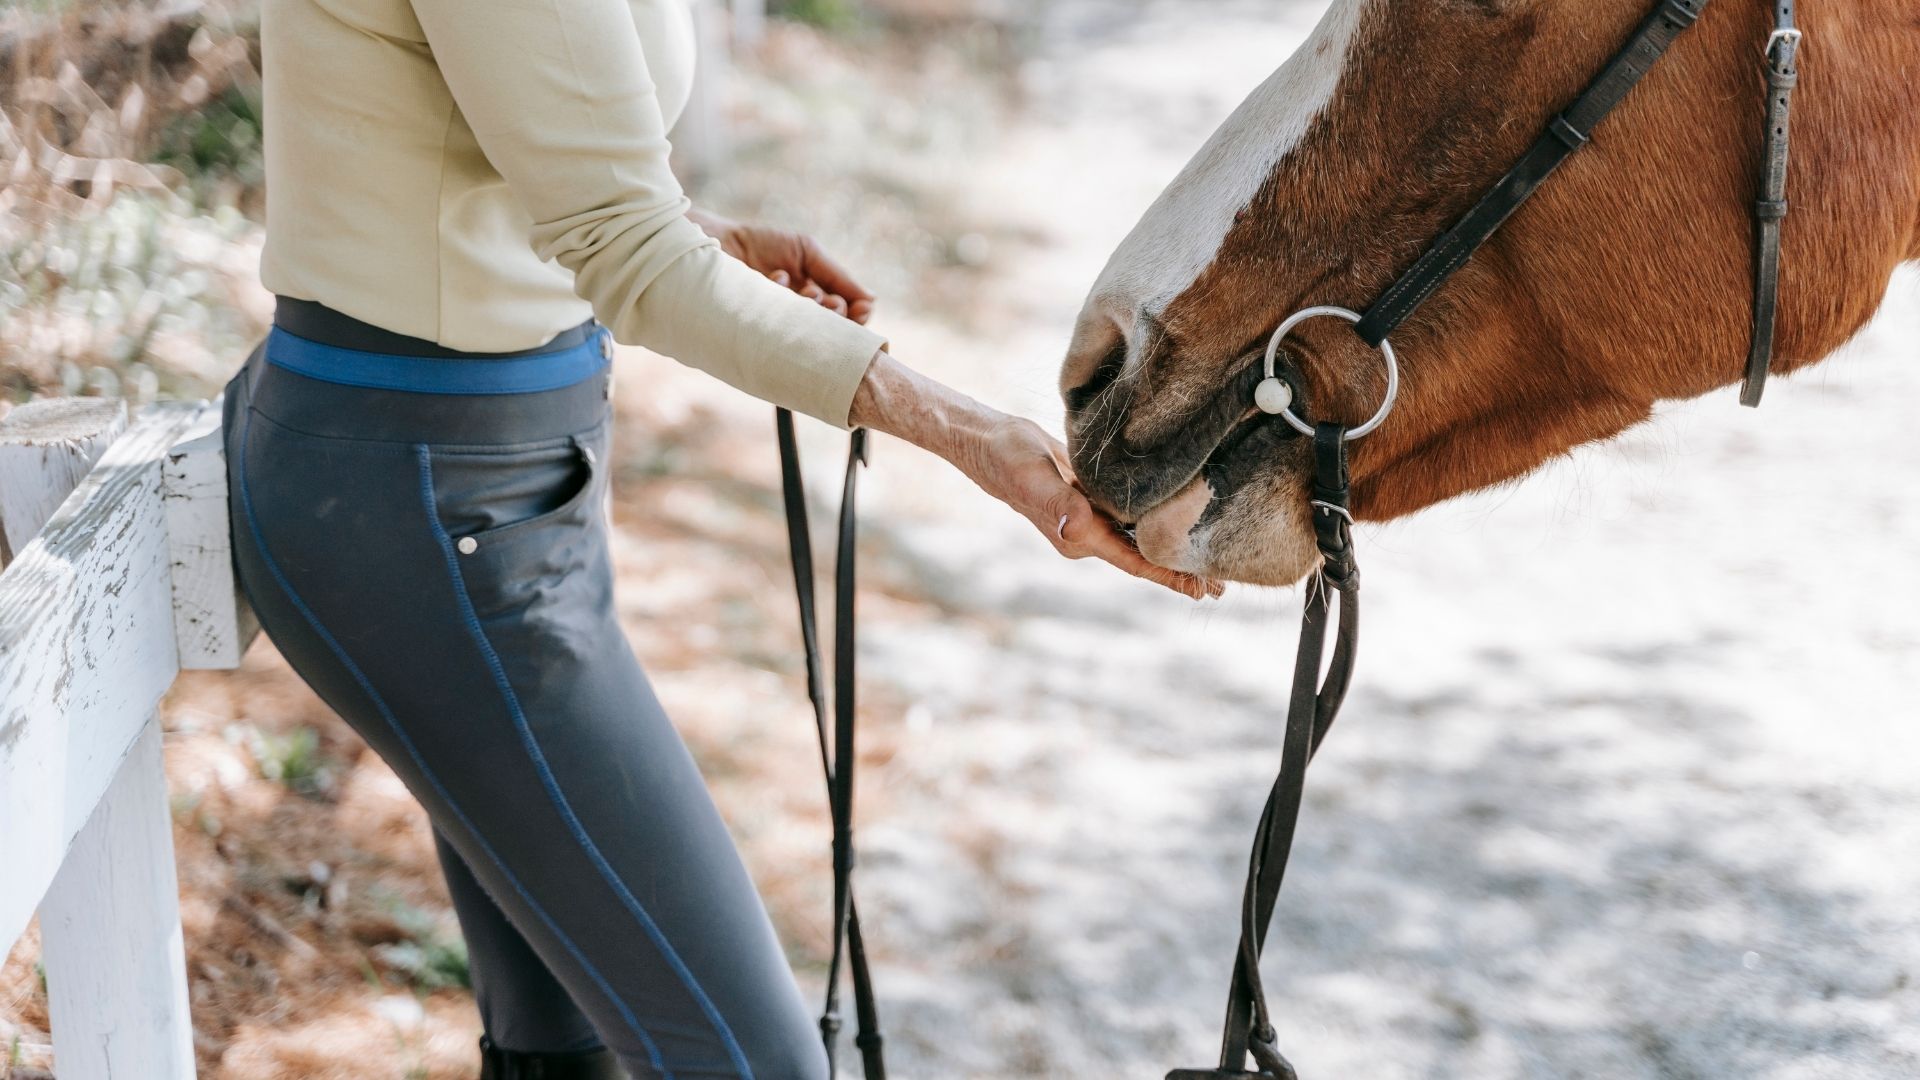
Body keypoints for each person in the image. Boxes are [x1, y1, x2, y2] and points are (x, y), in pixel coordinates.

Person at [221, 0, 1213, 1077]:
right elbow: (618, 246)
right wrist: (972, 436)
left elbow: (510, 152)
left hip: (496, 492)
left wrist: (701, 238)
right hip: (417, 502)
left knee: (567, 1041)